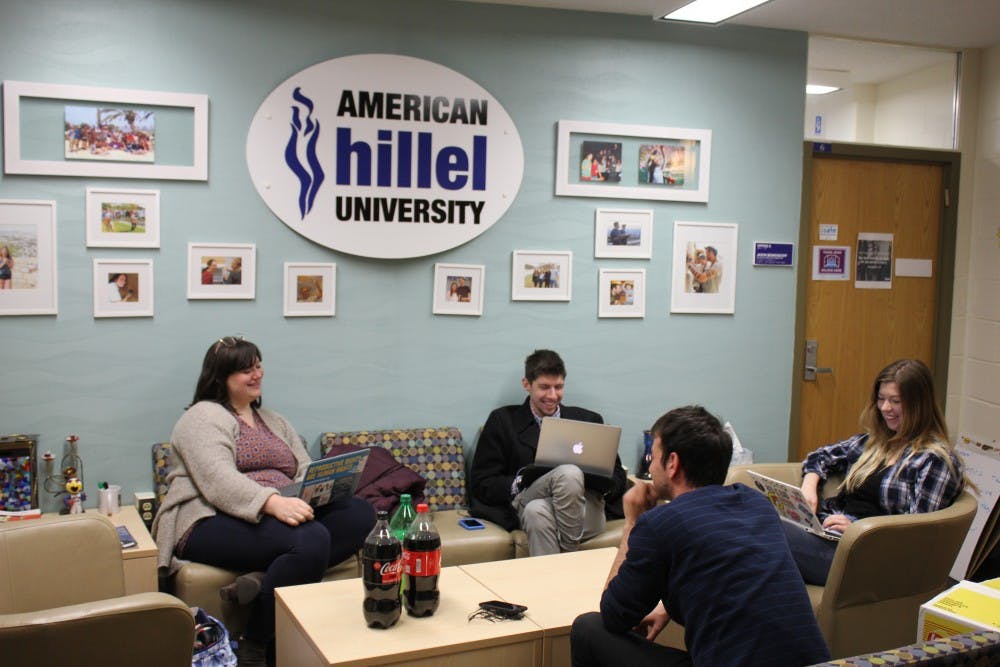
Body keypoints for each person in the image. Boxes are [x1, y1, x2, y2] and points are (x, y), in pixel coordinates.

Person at [152, 336, 375, 666]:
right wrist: (272, 502)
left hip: (277, 508)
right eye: (246, 369)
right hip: (208, 517)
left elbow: (301, 465)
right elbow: (217, 480)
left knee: (359, 513)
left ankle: (263, 579)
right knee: (312, 538)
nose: (257, 374)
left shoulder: (273, 420)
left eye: (258, 365)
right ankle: (256, 643)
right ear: (221, 377)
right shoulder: (201, 418)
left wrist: (318, 487)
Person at [571, 406, 830, 667]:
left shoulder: (659, 524)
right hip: (812, 663)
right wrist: (667, 608)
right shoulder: (756, 503)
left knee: (588, 628)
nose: (650, 463)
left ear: (672, 463)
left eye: (653, 455)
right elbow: (726, 575)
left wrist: (632, 523)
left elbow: (614, 615)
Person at [786, 358, 965, 585]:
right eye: (881, 399)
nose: (885, 408)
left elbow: (918, 533)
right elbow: (819, 457)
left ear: (919, 405)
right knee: (756, 514)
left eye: (895, 401)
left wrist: (859, 531)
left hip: (868, 557)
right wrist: (809, 488)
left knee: (769, 531)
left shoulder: (934, 461)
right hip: (831, 534)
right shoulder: (873, 443)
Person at [469, 349, 627, 556]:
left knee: (536, 512)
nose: (553, 396)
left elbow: (616, 476)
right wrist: (521, 481)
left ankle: (550, 585)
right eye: (544, 387)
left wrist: (591, 485)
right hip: (525, 497)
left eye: (558, 387)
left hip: (586, 509)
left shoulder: (589, 420)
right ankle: (570, 554)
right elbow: (483, 482)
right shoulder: (502, 421)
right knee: (568, 473)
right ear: (527, 384)